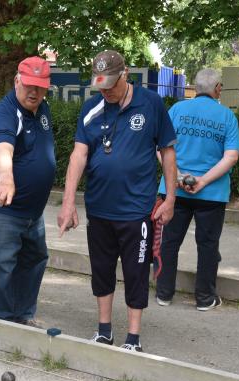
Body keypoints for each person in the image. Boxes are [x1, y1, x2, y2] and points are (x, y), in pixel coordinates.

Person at [57, 50, 177, 352]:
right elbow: (78, 156)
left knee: (136, 274)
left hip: (136, 211)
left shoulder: (151, 104)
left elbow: (168, 153)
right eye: (101, 85)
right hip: (99, 209)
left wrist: (171, 198)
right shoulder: (91, 109)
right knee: (101, 271)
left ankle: (133, 338)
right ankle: (104, 331)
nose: (106, 91)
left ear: (125, 74)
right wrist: (68, 202)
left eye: (111, 84)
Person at [0, 56, 55, 325]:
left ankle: (22, 316)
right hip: (1, 210)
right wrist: (5, 178)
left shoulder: (43, 110)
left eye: (40, 87)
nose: (34, 92)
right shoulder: (5, 113)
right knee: (0, 269)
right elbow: (3, 148)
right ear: (17, 81)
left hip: (32, 211)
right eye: (29, 85)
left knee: (33, 260)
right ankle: (3, 327)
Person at [156, 68, 239, 312]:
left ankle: (164, 293)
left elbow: (160, 147)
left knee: (169, 243)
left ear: (195, 87)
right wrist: (203, 181)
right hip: (212, 195)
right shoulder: (227, 117)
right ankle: (205, 298)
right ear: (218, 89)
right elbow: (231, 156)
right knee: (208, 245)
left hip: (174, 191)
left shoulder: (177, 110)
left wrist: (178, 176)